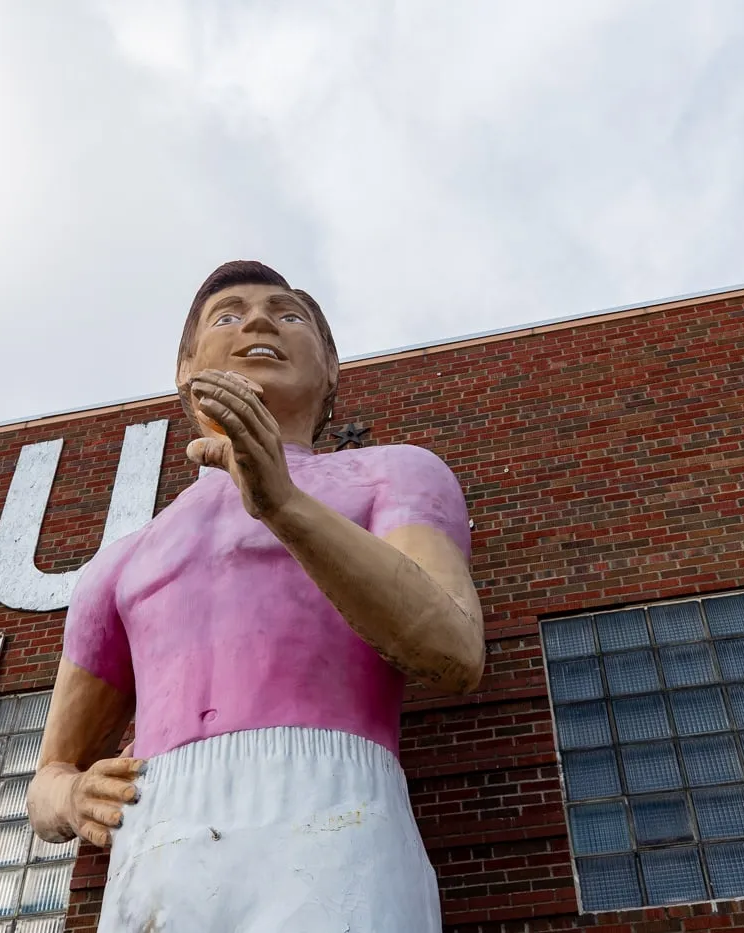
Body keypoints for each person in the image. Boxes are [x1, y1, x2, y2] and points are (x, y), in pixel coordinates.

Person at [27, 260, 484, 931]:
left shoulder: (392, 473)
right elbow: (47, 776)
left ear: (331, 367)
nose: (261, 320)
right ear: (185, 369)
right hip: (157, 832)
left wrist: (286, 507)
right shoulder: (123, 559)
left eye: (288, 313)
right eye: (228, 314)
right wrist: (70, 795)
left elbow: (454, 649)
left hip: (335, 812)